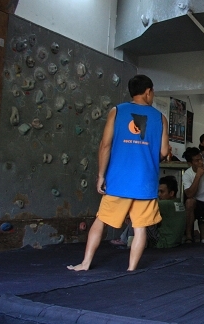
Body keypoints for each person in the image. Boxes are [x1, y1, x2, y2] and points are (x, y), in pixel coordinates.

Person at [68, 75, 168, 271]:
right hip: (145, 182)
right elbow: (164, 152)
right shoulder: (160, 118)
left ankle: (85, 263)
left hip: (119, 180)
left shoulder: (117, 111)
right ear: (148, 92)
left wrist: (101, 176)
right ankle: (131, 269)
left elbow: (105, 145)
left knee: (101, 221)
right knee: (140, 228)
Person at [111, 176, 186, 249]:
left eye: (162, 192)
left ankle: (124, 240)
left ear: (171, 193)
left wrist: (128, 216)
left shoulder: (166, 204)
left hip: (162, 243)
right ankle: (131, 240)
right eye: (158, 191)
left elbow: (143, 208)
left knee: (139, 217)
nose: (159, 195)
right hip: (175, 242)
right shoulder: (180, 204)